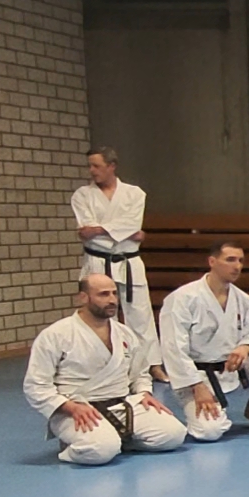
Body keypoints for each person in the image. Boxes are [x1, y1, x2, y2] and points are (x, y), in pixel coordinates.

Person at [23, 273, 185, 465]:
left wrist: (144, 393)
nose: (111, 300)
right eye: (103, 294)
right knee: (100, 451)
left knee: (174, 435)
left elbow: (139, 373)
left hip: (123, 404)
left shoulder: (124, 333)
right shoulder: (56, 335)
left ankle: (116, 441)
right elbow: (36, 386)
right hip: (79, 409)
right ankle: (70, 449)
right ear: (83, 297)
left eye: (114, 293)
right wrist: (70, 407)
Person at [159, 241, 249, 440]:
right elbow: (173, 348)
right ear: (212, 261)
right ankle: (201, 409)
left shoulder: (242, 299)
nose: (237, 266)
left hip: (232, 368)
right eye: (230, 260)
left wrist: (245, 348)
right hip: (197, 375)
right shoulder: (183, 298)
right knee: (209, 431)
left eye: (240, 261)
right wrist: (197, 386)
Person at [71, 146, 165, 381]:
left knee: (141, 315)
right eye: (90, 166)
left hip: (129, 262)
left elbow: (129, 225)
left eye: (96, 166)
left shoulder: (135, 194)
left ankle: (151, 365)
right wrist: (123, 231)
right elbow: (86, 232)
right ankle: (108, 367)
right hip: (97, 263)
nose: (92, 171)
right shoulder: (82, 195)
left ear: (111, 166)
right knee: (101, 314)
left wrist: (100, 229)